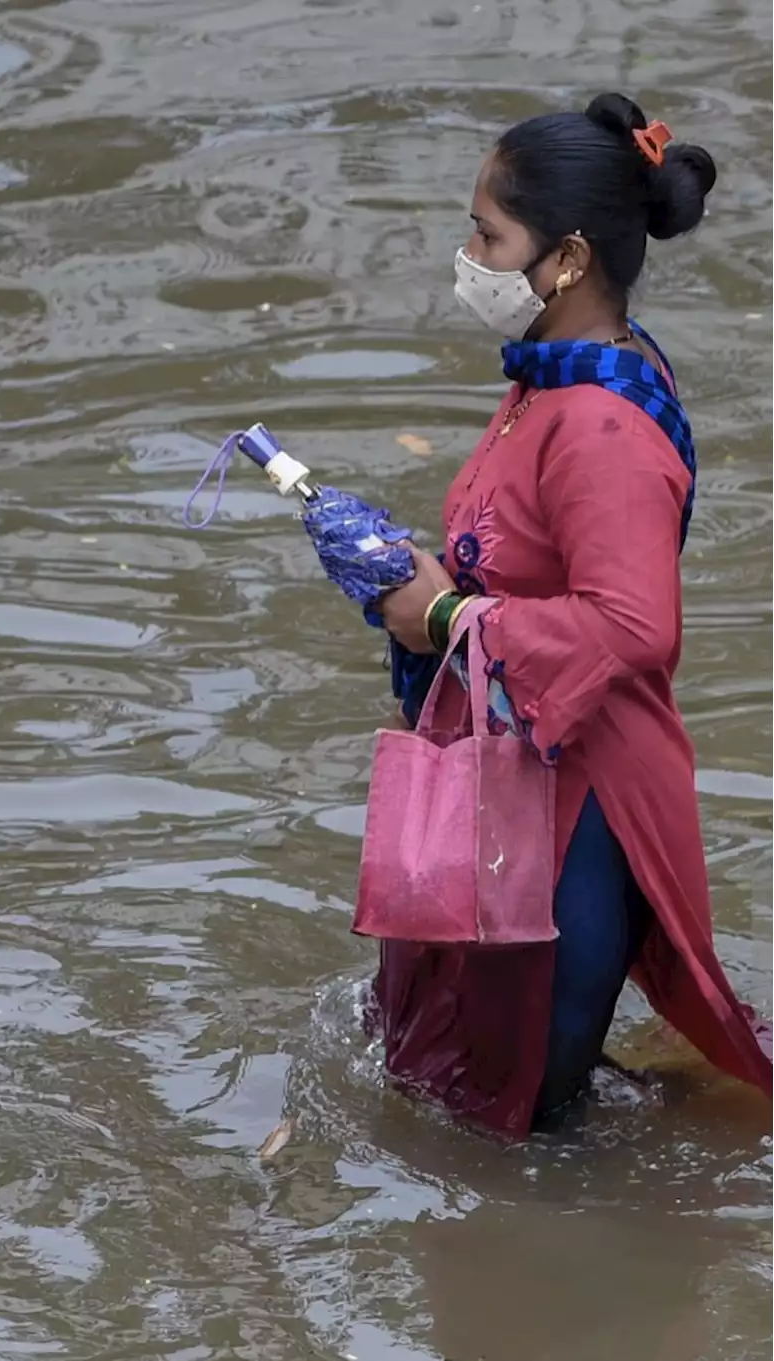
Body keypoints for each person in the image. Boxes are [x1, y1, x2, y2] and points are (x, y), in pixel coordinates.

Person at [371, 92, 774, 1137]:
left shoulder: (594, 422)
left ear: (566, 259)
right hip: (539, 771)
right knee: (497, 1096)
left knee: (520, 1130)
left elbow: (634, 627)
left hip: (581, 810)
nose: (468, 252)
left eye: (486, 233)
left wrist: (448, 613)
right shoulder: (560, 374)